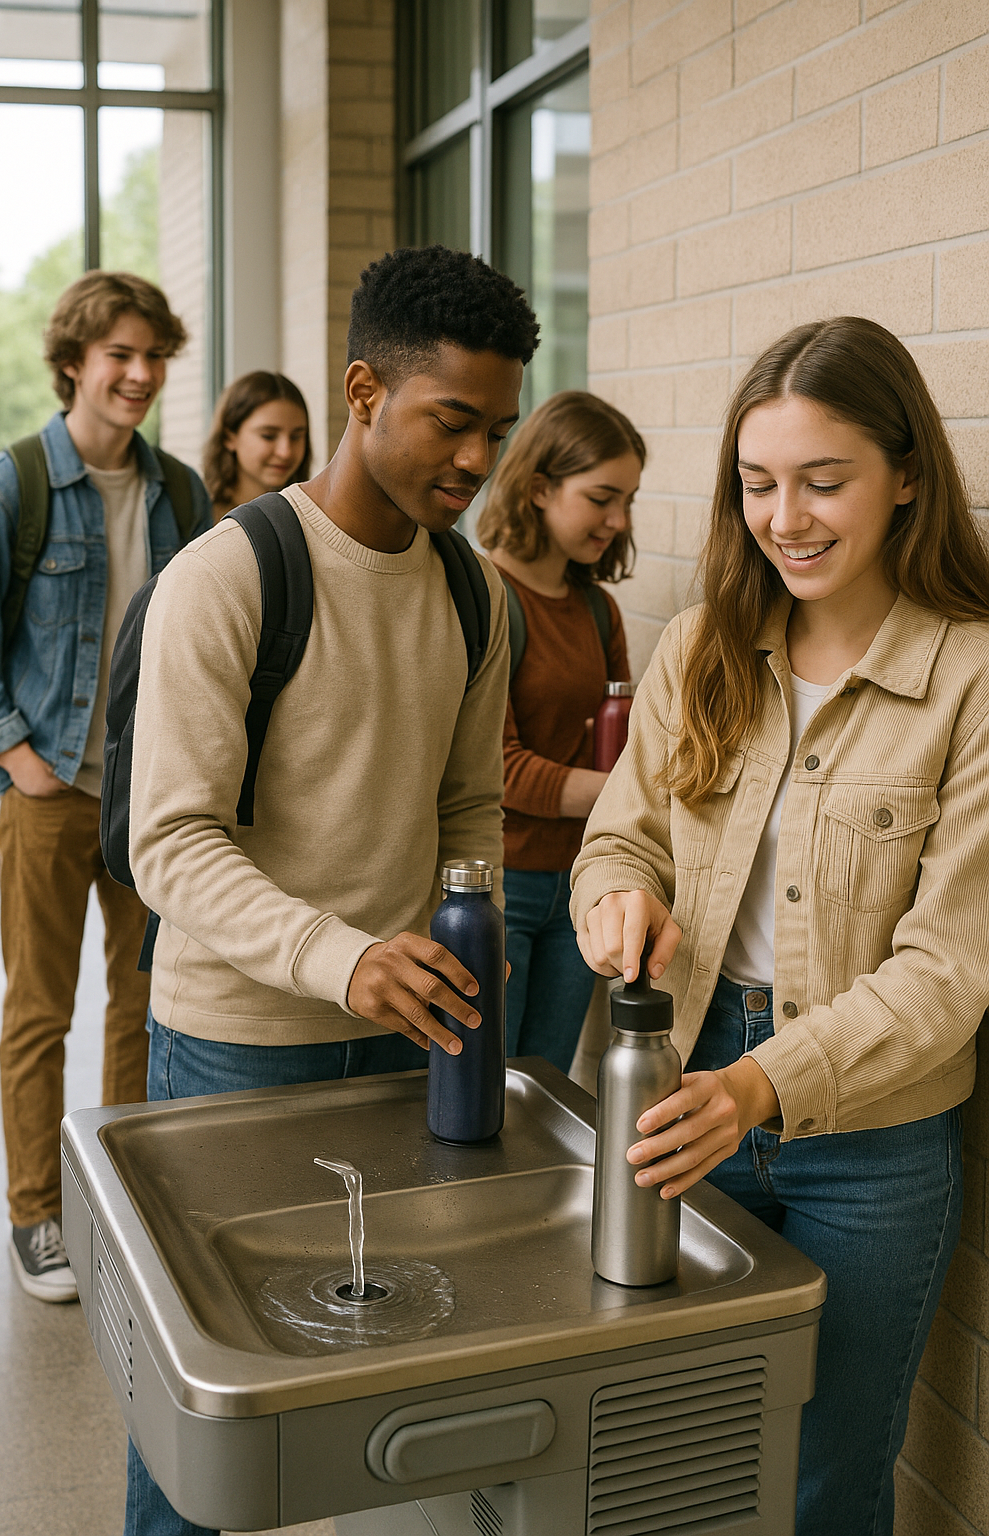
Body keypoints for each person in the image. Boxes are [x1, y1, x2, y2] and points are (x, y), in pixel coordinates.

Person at [122, 243, 538, 1535]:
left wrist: (467, 930)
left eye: (497, 431)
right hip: (239, 1047)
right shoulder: (230, 576)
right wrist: (341, 954)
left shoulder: (476, 594)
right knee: (208, 1418)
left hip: (401, 1045)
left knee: (359, 1388)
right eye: (450, 423)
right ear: (363, 393)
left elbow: (469, 806)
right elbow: (171, 844)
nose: (476, 462)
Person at [571, 315, 989, 1536]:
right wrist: (615, 902)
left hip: (873, 1144)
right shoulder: (701, 646)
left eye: (823, 481)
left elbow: (949, 969)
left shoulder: (970, 677)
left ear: (906, 477)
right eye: (758, 484)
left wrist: (760, 1088)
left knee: (826, 1477)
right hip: (674, 1088)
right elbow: (622, 836)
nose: (785, 517)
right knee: (660, 1458)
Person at [0, 270, 213, 1304]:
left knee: (146, 1003)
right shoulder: (11, 487)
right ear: (75, 362)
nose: (141, 374)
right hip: (50, 790)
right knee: (39, 1010)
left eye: (154, 356)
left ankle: (116, 1200)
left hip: (148, 799)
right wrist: (19, 761)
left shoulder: (183, 494)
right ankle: (36, 1215)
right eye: (120, 355)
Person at [476, 391, 641, 1072]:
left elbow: (637, 747)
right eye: (602, 497)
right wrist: (622, 796)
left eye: (628, 500)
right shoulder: (485, 593)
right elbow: (498, 768)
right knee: (482, 1087)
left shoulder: (599, 611)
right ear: (540, 488)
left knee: (545, 1084)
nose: (619, 519)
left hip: (580, 884)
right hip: (499, 887)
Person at [202, 369, 311, 520]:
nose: (285, 452)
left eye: (296, 436)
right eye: (268, 436)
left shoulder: (308, 517)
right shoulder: (197, 517)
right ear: (229, 437)